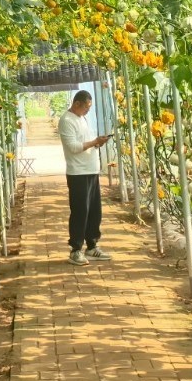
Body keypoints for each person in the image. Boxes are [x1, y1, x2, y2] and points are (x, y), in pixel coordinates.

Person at [58, 90, 112, 266]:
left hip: (91, 170)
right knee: (80, 211)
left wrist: (97, 143)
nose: (88, 110)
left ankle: (91, 246)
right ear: (77, 104)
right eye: (87, 107)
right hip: (78, 172)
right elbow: (73, 147)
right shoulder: (66, 120)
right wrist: (94, 142)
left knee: (94, 211)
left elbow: (86, 142)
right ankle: (75, 250)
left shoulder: (82, 119)